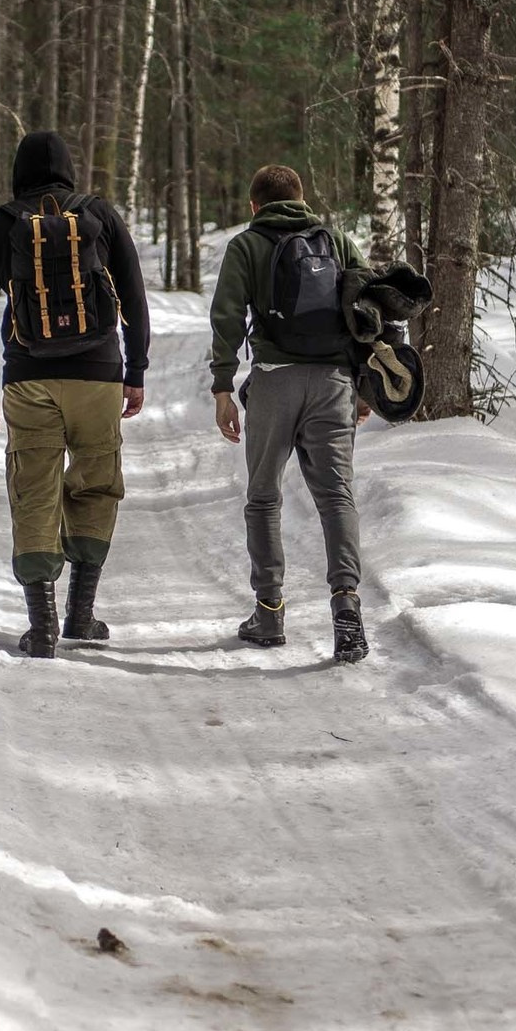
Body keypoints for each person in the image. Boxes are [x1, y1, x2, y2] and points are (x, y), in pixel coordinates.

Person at [0, 130, 152, 658]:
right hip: (98, 375)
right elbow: (134, 297)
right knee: (96, 485)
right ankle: (81, 615)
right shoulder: (100, 216)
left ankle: (42, 626)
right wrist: (135, 371)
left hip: (28, 379)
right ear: (70, 169)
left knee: (34, 492)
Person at [209, 164, 370, 664]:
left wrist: (222, 386)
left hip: (275, 381)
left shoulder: (246, 246)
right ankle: (347, 611)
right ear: (303, 199)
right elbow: (367, 310)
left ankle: (269, 611)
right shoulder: (337, 241)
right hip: (333, 383)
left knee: (263, 497)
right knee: (335, 496)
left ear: (254, 206)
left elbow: (227, 316)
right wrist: (364, 385)